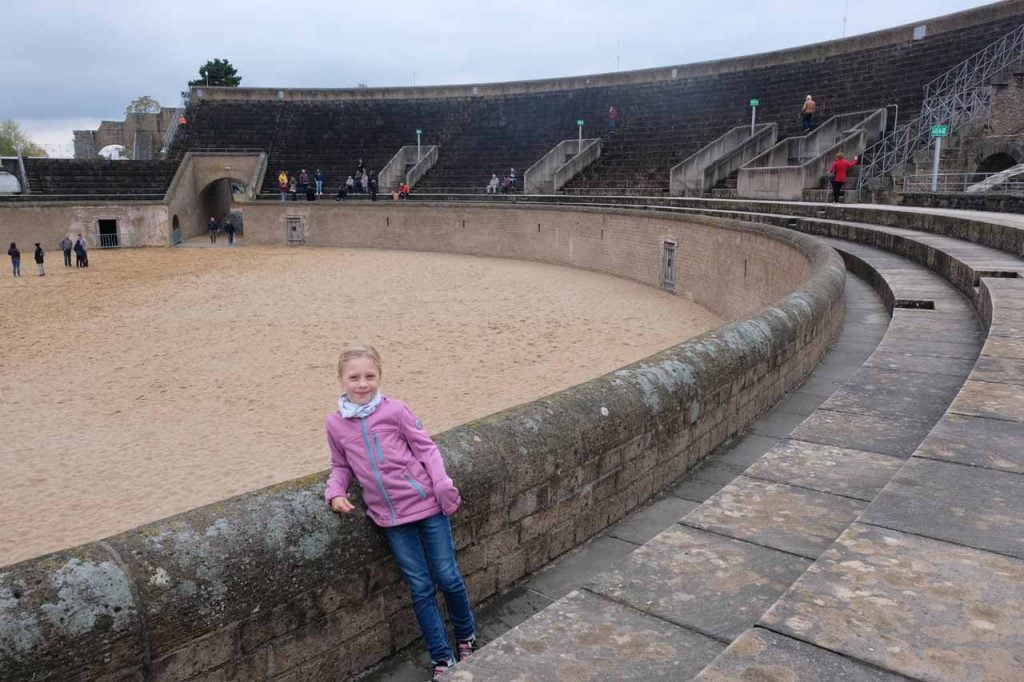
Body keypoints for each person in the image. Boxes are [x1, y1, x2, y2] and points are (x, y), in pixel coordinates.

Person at [325, 345, 477, 680]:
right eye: (354, 377)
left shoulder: (395, 411)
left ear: (379, 375)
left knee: (448, 576)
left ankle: (466, 636)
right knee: (420, 587)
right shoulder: (335, 424)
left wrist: (441, 485)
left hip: (427, 507)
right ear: (341, 380)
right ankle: (443, 658)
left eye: (369, 376)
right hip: (391, 520)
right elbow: (340, 466)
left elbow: (427, 448)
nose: (362, 383)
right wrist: (334, 491)